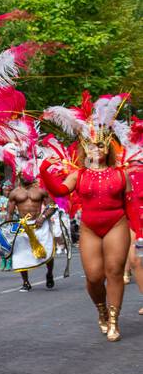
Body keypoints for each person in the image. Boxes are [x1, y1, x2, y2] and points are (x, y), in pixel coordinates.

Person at [41, 94, 137, 341]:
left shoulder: (121, 174)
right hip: (90, 228)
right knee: (94, 276)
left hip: (116, 223)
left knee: (114, 270)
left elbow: (131, 205)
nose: (97, 149)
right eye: (92, 145)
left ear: (108, 148)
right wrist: (44, 171)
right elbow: (60, 191)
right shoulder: (78, 174)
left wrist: (135, 232)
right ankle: (102, 309)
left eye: (102, 145)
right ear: (86, 147)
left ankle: (114, 320)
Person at [6, 174, 57, 290]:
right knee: (20, 254)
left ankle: (49, 274)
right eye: (23, 173)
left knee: (47, 251)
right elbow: (9, 213)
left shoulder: (40, 191)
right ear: (19, 175)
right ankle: (25, 282)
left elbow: (52, 206)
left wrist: (43, 217)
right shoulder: (14, 193)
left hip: (40, 225)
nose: (25, 175)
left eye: (27, 173)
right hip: (23, 226)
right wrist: (7, 228)